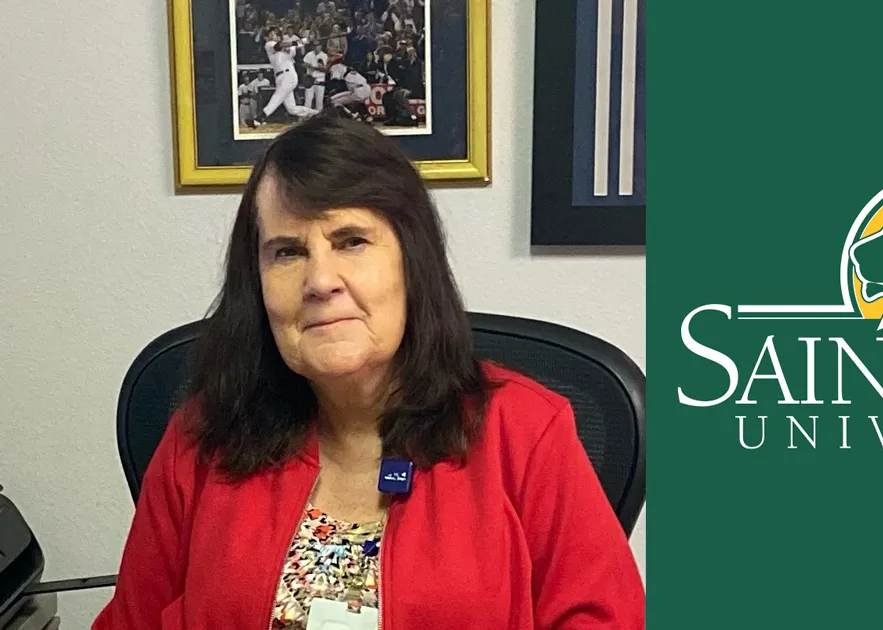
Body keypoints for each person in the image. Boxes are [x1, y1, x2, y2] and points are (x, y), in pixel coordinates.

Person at [91, 115, 646, 630]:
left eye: (351, 241)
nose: (320, 280)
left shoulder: (525, 430)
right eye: (287, 252)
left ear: (411, 261)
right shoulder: (201, 438)